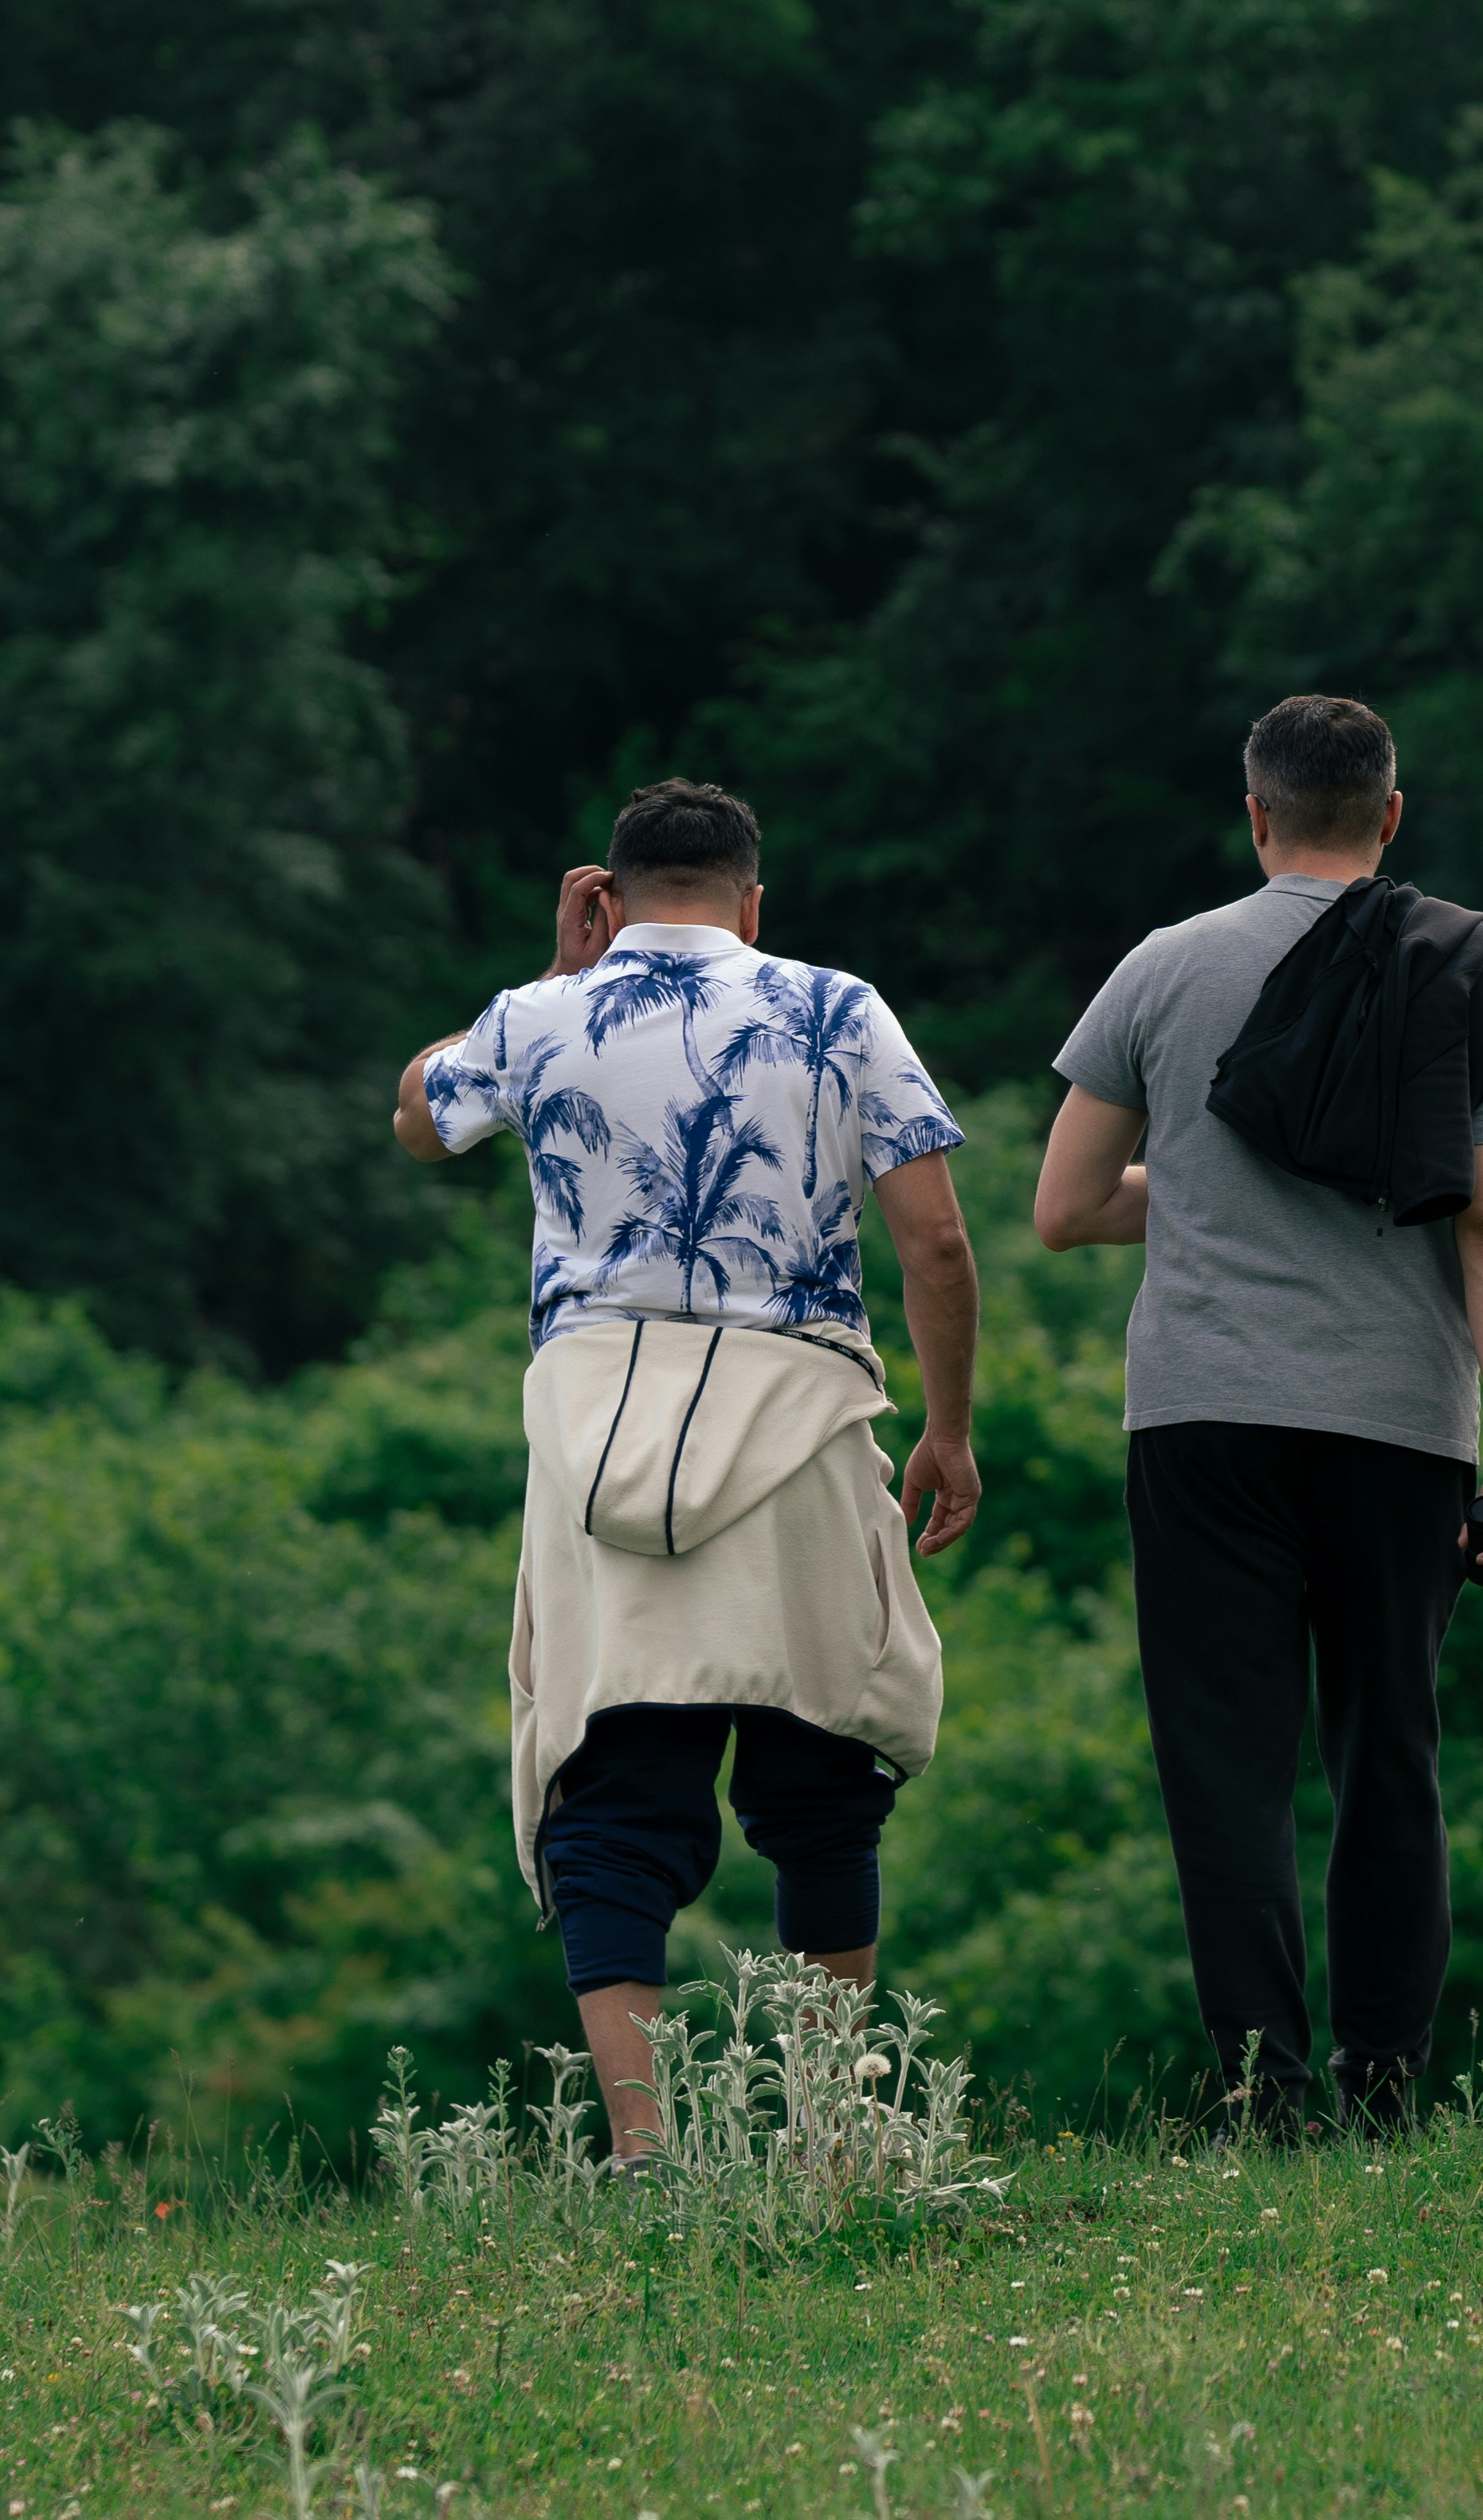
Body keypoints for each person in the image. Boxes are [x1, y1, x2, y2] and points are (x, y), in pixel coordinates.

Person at [390, 777, 982, 2159]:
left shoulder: (541, 1020)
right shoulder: (839, 1010)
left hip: (595, 1431)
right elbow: (936, 1244)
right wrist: (948, 1430)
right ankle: (831, 2139)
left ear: (610, 890)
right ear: (751, 897)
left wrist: (550, 979)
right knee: (823, 1777)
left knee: (608, 1788)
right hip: (797, 1422)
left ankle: (646, 2154)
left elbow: (420, 1118)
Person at [1032, 693, 1483, 2134]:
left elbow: (1065, 1209)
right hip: (1399, 1424)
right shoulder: (1454, 970)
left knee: (1228, 1762)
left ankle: (1264, 2091)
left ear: (1255, 816)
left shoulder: (1164, 968)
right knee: (1390, 1751)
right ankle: (1385, 2088)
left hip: (1206, 1418)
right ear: (1390, 817)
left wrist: (1192, 1194)